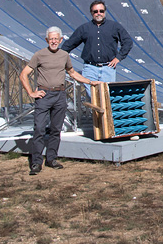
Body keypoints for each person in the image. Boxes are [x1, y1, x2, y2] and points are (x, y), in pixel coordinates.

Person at [20, 26, 103, 175]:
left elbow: (72, 73)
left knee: (56, 129)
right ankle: (36, 162)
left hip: (59, 95)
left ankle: (51, 158)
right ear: (47, 40)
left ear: (60, 40)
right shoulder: (39, 55)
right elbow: (24, 74)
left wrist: (90, 82)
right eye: (51, 39)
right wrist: (31, 92)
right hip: (44, 95)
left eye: (56, 39)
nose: (53, 41)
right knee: (39, 128)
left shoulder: (64, 55)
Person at [62, 0, 132, 96]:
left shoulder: (114, 26)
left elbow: (128, 42)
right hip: (90, 68)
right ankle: (94, 111)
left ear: (105, 12)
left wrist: (119, 58)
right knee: (93, 97)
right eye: (95, 11)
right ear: (91, 13)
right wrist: (56, 57)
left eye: (101, 11)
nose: (98, 13)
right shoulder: (84, 28)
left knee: (106, 97)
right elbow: (69, 45)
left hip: (108, 68)